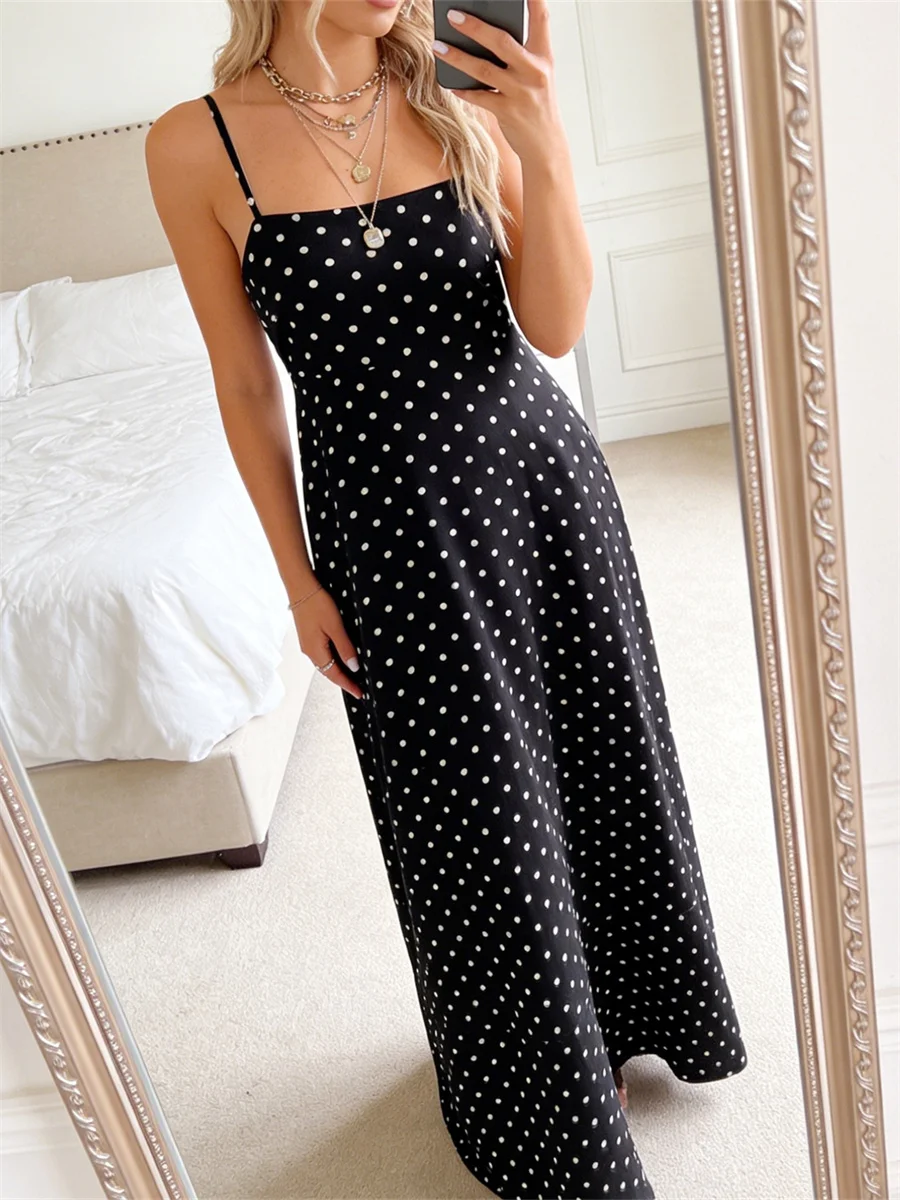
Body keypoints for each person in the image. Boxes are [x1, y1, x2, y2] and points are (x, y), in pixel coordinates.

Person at [146, 1, 747, 1195]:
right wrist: (294, 575)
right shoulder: (192, 143)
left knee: (600, 762)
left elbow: (555, 323)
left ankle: (634, 1016)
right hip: (387, 538)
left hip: (539, 491)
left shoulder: (461, 92)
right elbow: (244, 380)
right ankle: (546, 1096)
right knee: (467, 823)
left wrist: (543, 135)